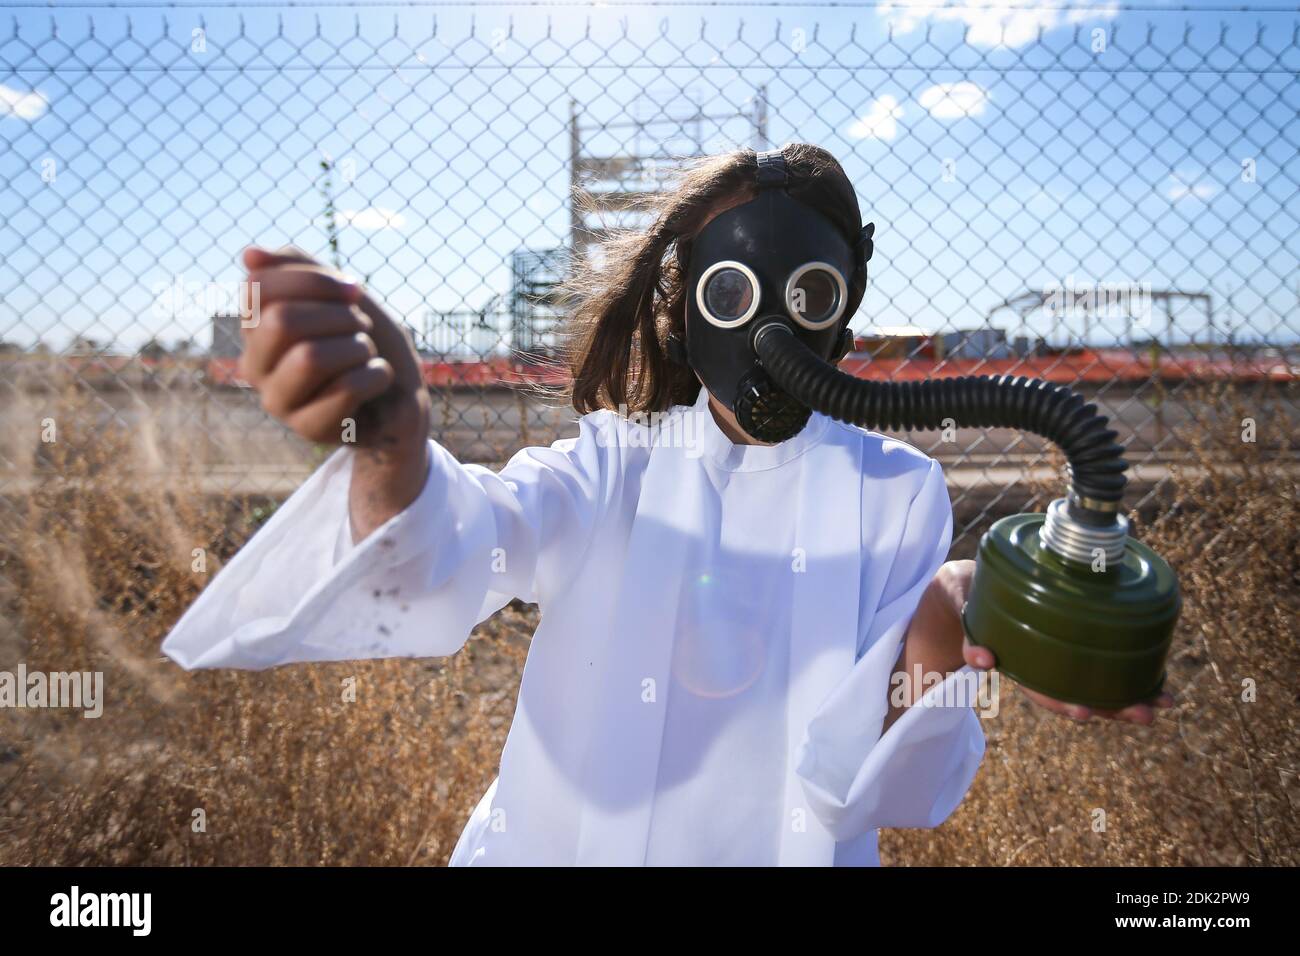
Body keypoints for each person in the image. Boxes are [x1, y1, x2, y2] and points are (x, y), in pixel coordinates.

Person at [162, 143, 1168, 866]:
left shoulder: (895, 490)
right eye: (732, 293)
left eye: (808, 293)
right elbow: (454, 550)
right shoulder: (611, 466)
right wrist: (389, 444)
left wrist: (951, 615)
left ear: (845, 304)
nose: (770, 325)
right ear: (685, 307)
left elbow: (875, 788)